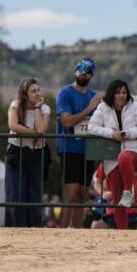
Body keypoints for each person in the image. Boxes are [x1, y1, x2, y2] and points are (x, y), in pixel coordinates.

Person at [87, 79, 137, 229]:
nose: (121, 95)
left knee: (124, 157)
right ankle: (122, 233)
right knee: (116, 196)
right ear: (111, 94)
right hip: (110, 156)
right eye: (117, 92)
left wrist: (126, 133)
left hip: (133, 152)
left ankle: (128, 193)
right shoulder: (102, 108)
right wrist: (111, 134)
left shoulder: (136, 106)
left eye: (124, 92)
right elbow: (92, 127)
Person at [55, 58, 103, 228]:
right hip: (69, 147)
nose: (84, 72)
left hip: (88, 148)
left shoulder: (94, 96)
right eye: (81, 69)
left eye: (89, 70)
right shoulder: (65, 93)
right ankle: (63, 230)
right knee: (71, 192)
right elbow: (66, 121)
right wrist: (89, 109)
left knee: (83, 193)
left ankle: (77, 230)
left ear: (92, 75)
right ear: (75, 71)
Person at [5, 78, 50, 227]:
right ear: (25, 95)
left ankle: (34, 229)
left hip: (36, 153)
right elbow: (13, 125)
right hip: (16, 152)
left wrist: (37, 108)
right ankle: (15, 229)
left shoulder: (44, 109)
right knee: (16, 194)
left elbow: (41, 129)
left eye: (38, 90)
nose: (37, 93)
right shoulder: (16, 105)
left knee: (34, 194)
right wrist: (33, 134)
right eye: (33, 91)